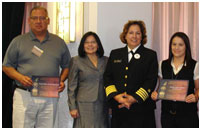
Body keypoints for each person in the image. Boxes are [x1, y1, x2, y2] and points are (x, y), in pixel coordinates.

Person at [2, 6, 71, 128]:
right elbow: (6, 66)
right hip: (24, 95)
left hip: (49, 96)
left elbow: (67, 66)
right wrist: (20, 77)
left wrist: (61, 80)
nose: (38, 21)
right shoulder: (18, 41)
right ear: (29, 20)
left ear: (48, 20)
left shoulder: (58, 42)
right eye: (35, 18)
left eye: (42, 18)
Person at [103, 20, 158, 128]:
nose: (134, 36)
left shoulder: (150, 55)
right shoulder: (115, 54)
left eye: (138, 33)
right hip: (119, 108)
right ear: (125, 35)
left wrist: (133, 99)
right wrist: (117, 97)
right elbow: (108, 77)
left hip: (142, 109)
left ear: (142, 36)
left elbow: (151, 81)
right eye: (131, 33)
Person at [151, 32, 199, 128]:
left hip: (188, 116)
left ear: (186, 46)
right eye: (174, 44)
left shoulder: (195, 65)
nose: (176, 48)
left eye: (180, 45)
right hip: (167, 116)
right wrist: (155, 94)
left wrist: (196, 96)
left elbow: (198, 88)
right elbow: (161, 87)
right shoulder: (162, 64)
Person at [68, 31, 109, 128]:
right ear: (83, 45)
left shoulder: (106, 60)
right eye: (87, 42)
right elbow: (71, 86)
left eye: (93, 42)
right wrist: (72, 107)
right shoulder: (76, 61)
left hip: (102, 104)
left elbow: (110, 83)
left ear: (98, 45)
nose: (90, 45)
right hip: (83, 105)